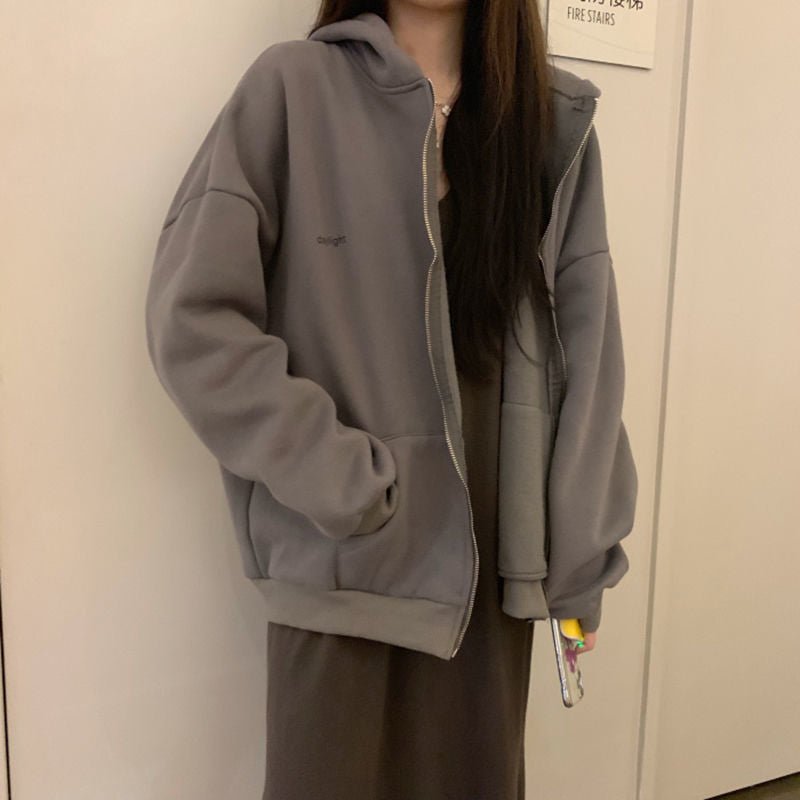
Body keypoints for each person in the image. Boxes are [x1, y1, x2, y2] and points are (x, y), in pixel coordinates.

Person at [144, 1, 638, 797]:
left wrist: (578, 556)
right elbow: (192, 318)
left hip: (492, 573)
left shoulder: (549, 123)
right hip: (347, 566)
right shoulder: (292, 90)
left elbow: (588, 356)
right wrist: (333, 473)